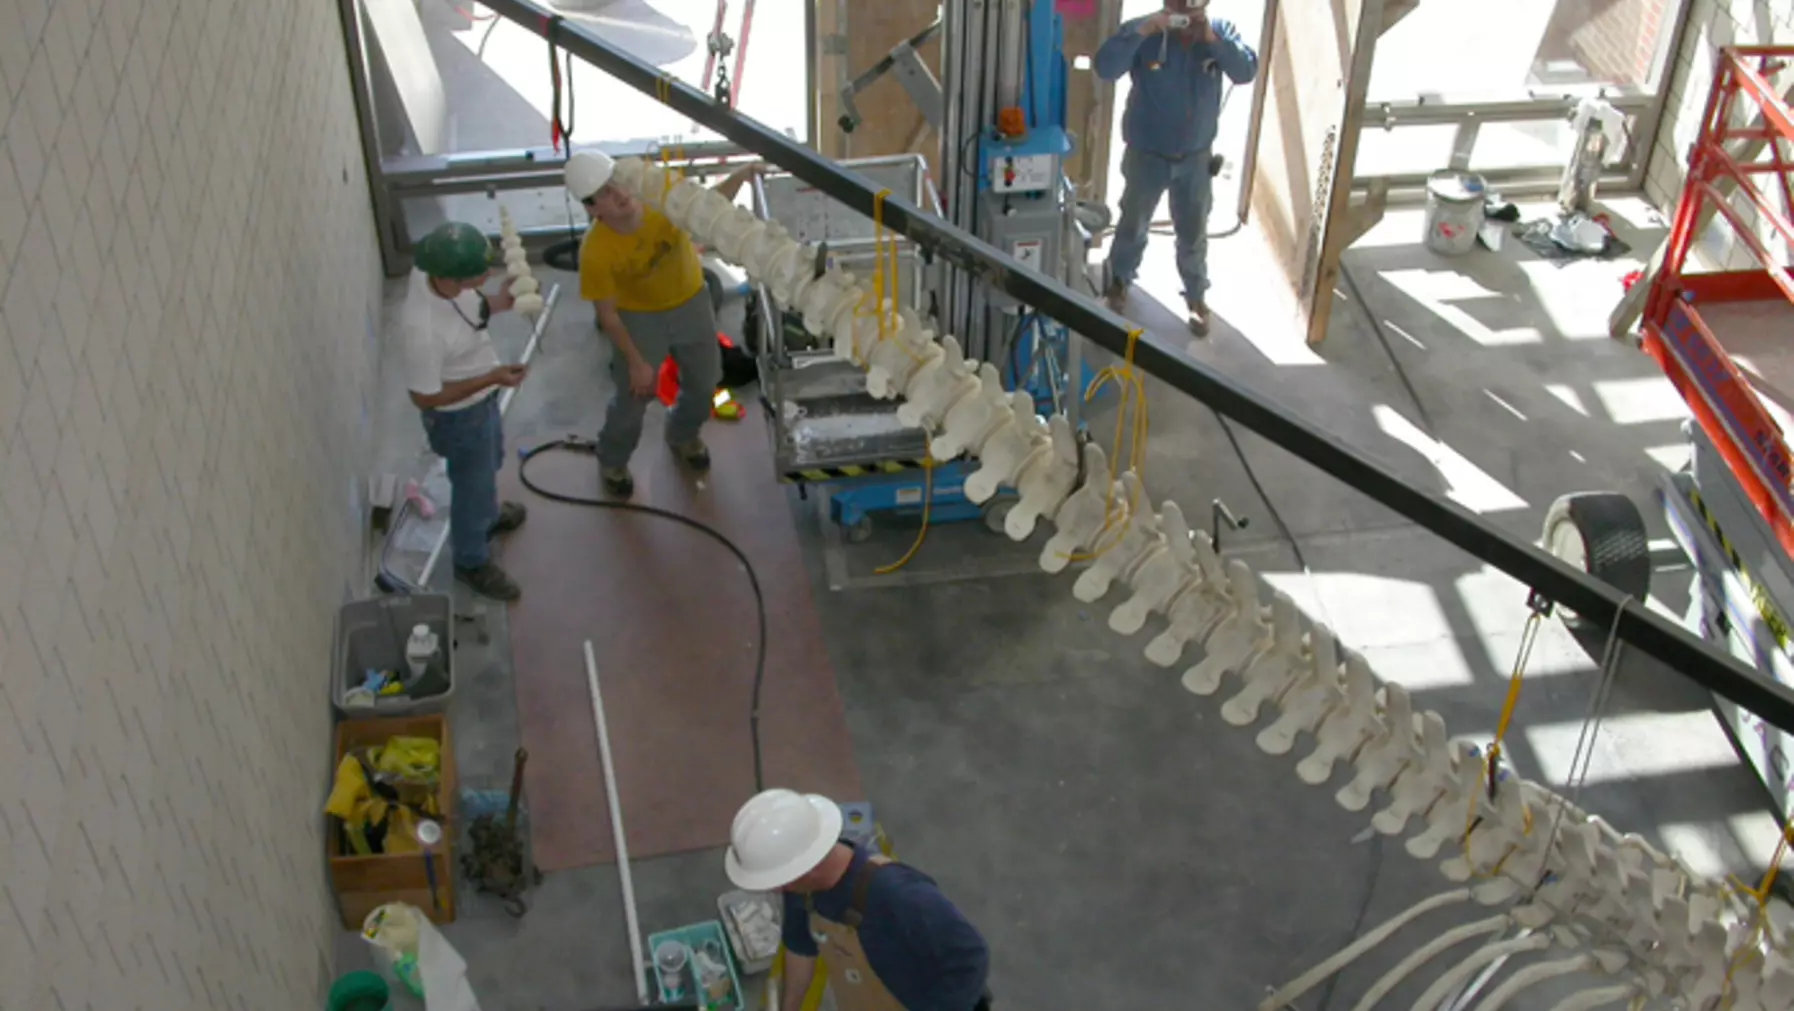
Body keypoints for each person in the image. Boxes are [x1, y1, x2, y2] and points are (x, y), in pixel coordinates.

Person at [564, 149, 766, 497]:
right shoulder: (596, 251)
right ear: (593, 208)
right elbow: (608, 315)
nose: (621, 195)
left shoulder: (661, 197)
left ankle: (683, 435)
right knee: (633, 397)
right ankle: (613, 459)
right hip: (638, 319)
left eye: (619, 183)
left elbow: (708, 206)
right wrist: (637, 362)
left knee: (705, 383)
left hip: (691, 302)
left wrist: (742, 174)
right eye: (606, 194)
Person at [724, 789, 991, 1011]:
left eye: (778, 882)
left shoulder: (899, 895)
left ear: (808, 867)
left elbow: (971, 956)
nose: (776, 890)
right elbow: (800, 946)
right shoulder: (801, 887)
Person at [1095, 2, 1258, 337]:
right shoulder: (1145, 32)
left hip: (1195, 160)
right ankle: (1119, 282)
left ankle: (1196, 296)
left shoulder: (1220, 32)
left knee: (1193, 232)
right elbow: (1105, 67)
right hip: (1147, 155)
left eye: (1192, 6)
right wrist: (1143, 31)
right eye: (1177, 6)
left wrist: (1212, 39)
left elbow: (1245, 72)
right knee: (1132, 223)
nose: (1184, 13)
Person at [402, 221, 531, 601]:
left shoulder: (430, 270)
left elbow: (471, 306)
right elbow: (425, 397)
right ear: (450, 277)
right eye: (478, 273)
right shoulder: (423, 333)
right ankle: (471, 560)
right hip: (458, 416)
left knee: (489, 462)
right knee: (472, 485)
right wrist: (491, 377)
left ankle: (487, 516)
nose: (488, 275)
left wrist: (500, 302)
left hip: (481, 401)